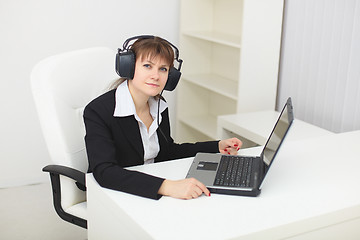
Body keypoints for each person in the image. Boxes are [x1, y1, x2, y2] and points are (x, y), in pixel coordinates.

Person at [83, 36, 242, 200]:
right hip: (115, 193)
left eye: (163, 69)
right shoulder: (98, 111)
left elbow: (168, 151)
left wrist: (216, 147)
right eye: (147, 66)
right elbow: (105, 172)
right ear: (128, 67)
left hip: (148, 189)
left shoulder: (158, 105)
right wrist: (167, 187)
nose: (156, 76)